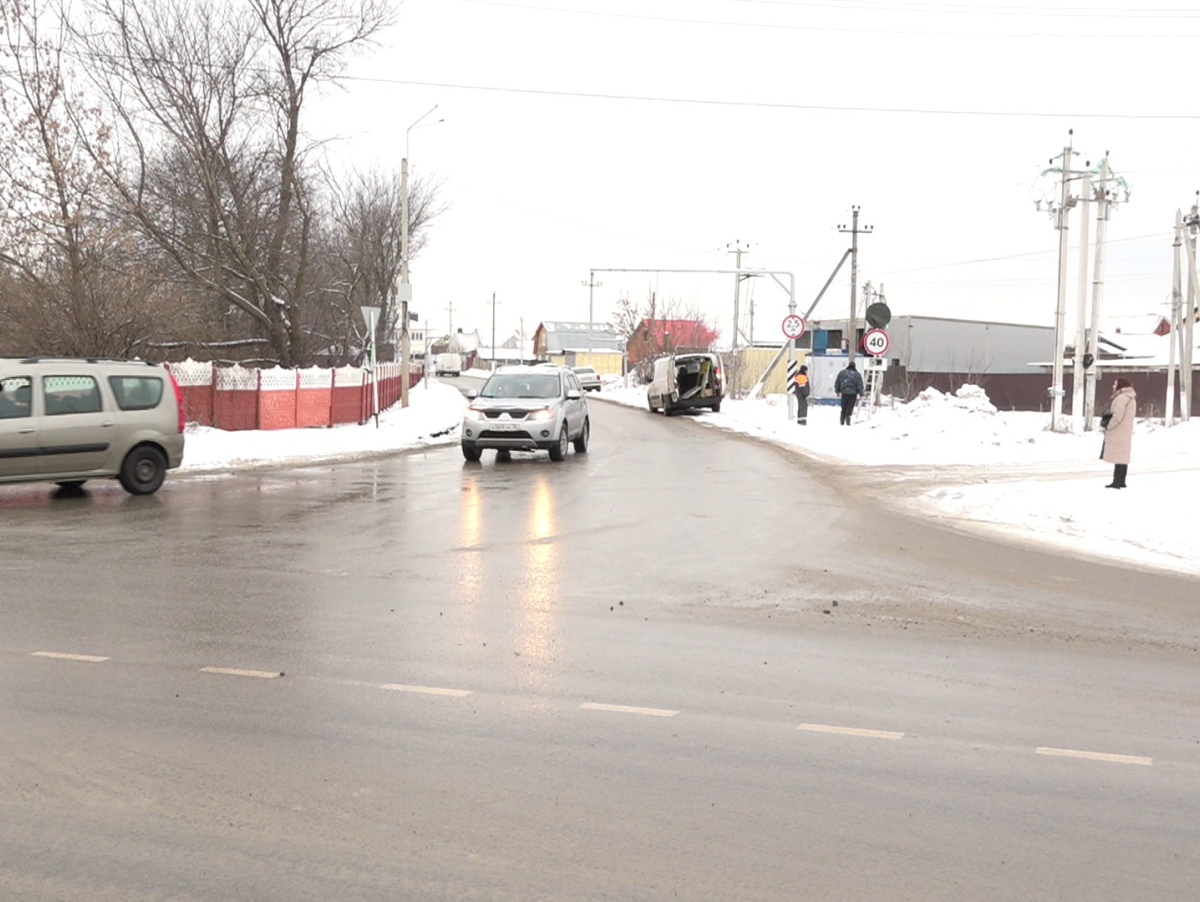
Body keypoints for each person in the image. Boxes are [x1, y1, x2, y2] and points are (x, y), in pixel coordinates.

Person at [1101, 377, 1136, 489]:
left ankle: (1116, 482)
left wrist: (1108, 426)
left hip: (1118, 431)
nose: (1113, 386)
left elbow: (1117, 416)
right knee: (1122, 457)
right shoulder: (1130, 398)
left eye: (1115, 384)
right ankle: (1121, 481)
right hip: (1125, 431)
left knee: (1119, 457)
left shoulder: (1121, 398)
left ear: (1120, 386)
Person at [834, 360, 864, 426]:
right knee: (850, 407)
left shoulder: (842, 373)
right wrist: (861, 394)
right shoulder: (857, 375)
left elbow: (837, 382)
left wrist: (837, 391)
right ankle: (848, 420)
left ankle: (842, 421)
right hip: (853, 394)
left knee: (843, 407)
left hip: (844, 393)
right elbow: (859, 385)